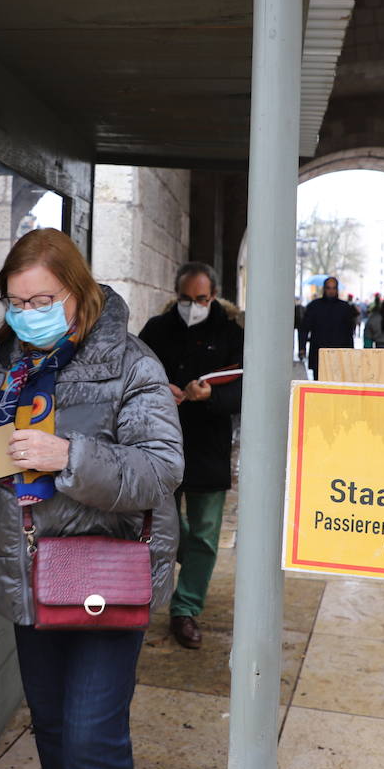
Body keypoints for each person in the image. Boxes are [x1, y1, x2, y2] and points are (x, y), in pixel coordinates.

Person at [0, 228, 183, 769]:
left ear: (77, 292)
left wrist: (68, 456)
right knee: (53, 731)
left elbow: (162, 471)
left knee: (91, 744)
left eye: (42, 301)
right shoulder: (10, 361)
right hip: (28, 572)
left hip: (106, 570)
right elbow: (0, 456)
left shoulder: (133, 363)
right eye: (16, 302)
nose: (28, 314)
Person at [139, 262, 243, 650]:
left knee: (204, 532)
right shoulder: (156, 329)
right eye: (186, 298)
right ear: (176, 294)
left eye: (201, 299)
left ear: (213, 296)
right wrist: (157, 387)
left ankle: (186, 608)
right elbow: (133, 372)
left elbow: (245, 388)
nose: (193, 305)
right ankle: (150, 592)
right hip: (160, 444)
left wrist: (211, 395)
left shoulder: (231, 334)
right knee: (160, 524)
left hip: (208, 448)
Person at [298, 276, 358, 378]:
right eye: (329, 288)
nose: (331, 291)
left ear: (337, 289)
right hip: (319, 353)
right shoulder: (314, 306)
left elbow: (349, 333)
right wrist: (302, 348)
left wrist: (350, 353)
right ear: (324, 289)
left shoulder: (345, 308)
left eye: (333, 288)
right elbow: (304, 328)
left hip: (339, 355)